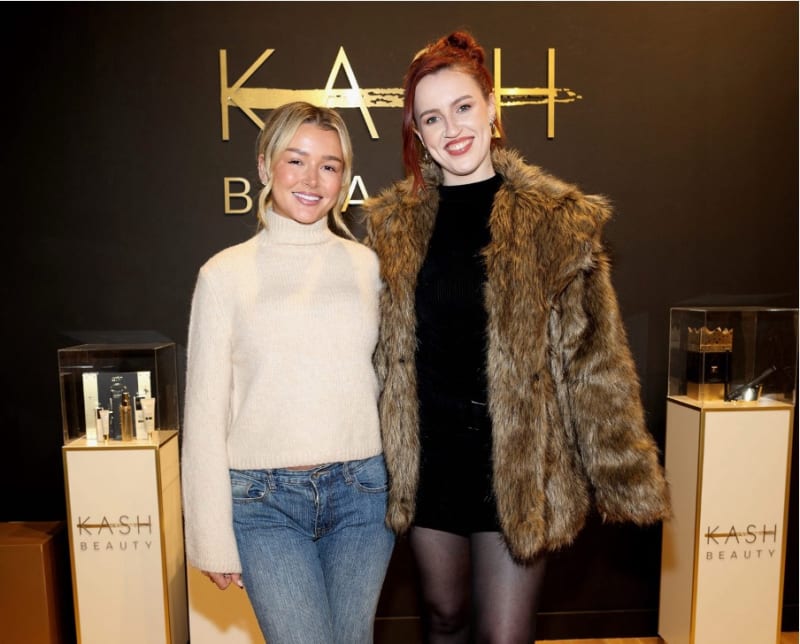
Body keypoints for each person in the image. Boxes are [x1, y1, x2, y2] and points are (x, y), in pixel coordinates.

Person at [362, 31, 671, 643]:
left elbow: (595, 358)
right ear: (417, 135)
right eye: (431, 116)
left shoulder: (557, 219)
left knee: (504, 635)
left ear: (492, 107)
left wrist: (624, 472)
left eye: (463, 106)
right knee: (444, 618)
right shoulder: (389, 228)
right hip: (432, 461)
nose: (451, 127)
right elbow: (371, 355)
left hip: (522, 463)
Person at [181, 101, 394, 644]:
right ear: (264, 166)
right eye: (295, 160)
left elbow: (395, 385)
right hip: (264, 503)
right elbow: (204, 413)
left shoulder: (368, 267)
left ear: (343, 177)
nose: (311, 179)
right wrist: (210, 536)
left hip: (362, 497)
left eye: (329, 165)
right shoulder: (222, 274)